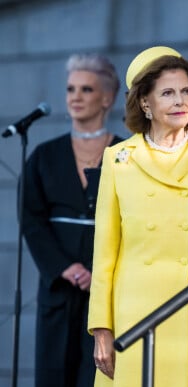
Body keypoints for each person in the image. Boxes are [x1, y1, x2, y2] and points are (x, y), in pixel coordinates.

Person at [87, 46, 188, 386]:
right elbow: (105, 253)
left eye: (186, 91)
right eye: (167, 93)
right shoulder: (117, 160)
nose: (180, 101)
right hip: (135, 312)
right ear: (145, 102)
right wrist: (101, 327)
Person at [21, 53, 122, 387]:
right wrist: (65, 267)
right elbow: (31, 218)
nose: (76, 96)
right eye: (70, 89)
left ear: (107, 97)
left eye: (86, 89)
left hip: (106, 291)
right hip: (59, 287)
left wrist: (101, 274)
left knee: (97, 375)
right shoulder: (44, 156)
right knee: (53, 373)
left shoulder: (126, 155)